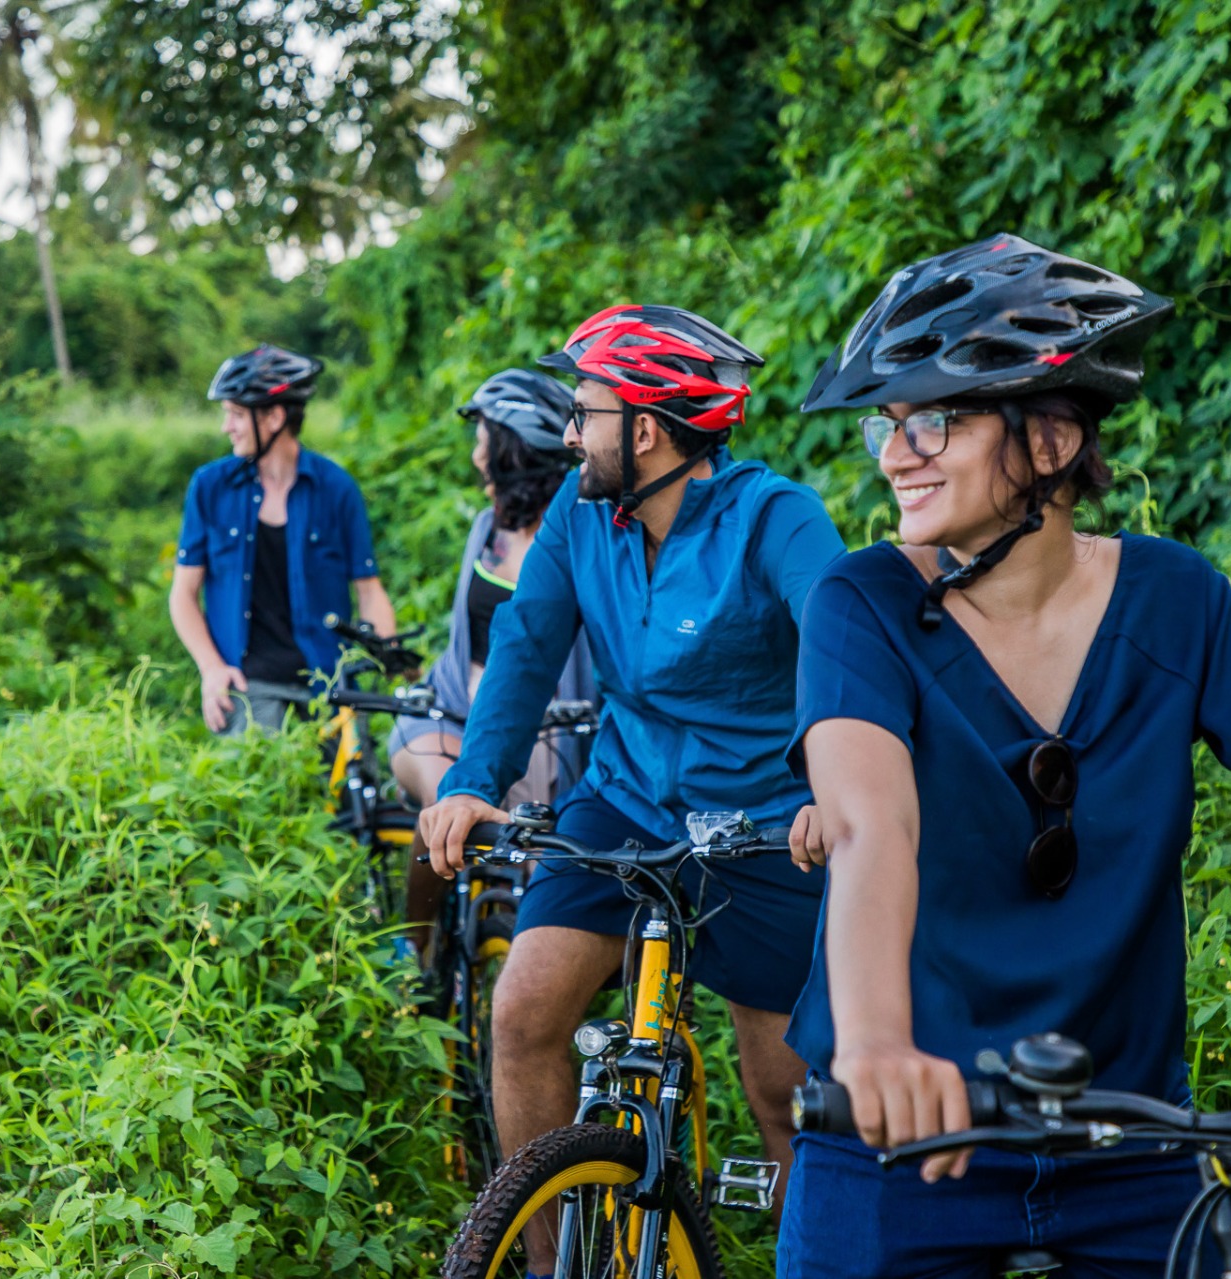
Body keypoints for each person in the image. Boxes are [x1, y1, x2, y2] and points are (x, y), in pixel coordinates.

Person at [779, 233, 1231, 1278]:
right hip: (900, 1131)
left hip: (1129, 1137)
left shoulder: (1173, 599)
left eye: (933, 418)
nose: (894, 453)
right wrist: (878, 1043)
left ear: (1051, 439)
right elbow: (874, 820)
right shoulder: (862, 604)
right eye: (889, 423)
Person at [419, 304, 847, 1268]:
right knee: (523, 1017)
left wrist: (833, 777)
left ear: (644, 429)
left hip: (766, 825)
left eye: (585, 412)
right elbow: (526, 647)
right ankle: (541, 1257)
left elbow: (842, 643)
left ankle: (813, 1253)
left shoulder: (775, 518)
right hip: (622, 803)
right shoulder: (580, 516)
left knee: (785, 1094)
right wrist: (474, 780)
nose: (570, 433)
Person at [388, 369, 599, 955]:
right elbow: (466, 642)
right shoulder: (488, 531)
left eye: (483, 438)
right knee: (446, 813)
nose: (477, 455)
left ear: (511, 450)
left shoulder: (583, 536)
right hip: (452, 715)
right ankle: (417, 951)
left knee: (537, 866)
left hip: (546, 734)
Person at [170, 344, 397, 734]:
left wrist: (393, 658)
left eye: (237, 416)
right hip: (249, 682)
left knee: (358, 789)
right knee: (265, 787)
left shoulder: (336, 489)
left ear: (274, 417)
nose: (228, 428)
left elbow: (369, 590)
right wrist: (211, 668)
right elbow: (183, 594)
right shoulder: (210, 487)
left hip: (328, 682)